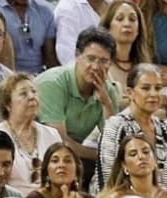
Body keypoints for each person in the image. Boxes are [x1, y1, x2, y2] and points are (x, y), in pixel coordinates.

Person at [35, 26, 117, 164]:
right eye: (91, 58)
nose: (96, 67)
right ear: (77, 55)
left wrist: (106, 103)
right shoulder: (53, 83)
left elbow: (113, 144)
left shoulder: (107, 90)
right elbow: (59, 144)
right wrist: (99, 155)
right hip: (39, 156)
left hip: (74, 159)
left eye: (103, 61)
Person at [0, 72, 59, 197]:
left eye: (34, 91)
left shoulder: (51, 134)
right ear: (8, 104)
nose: (32, 96)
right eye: (23, 93)